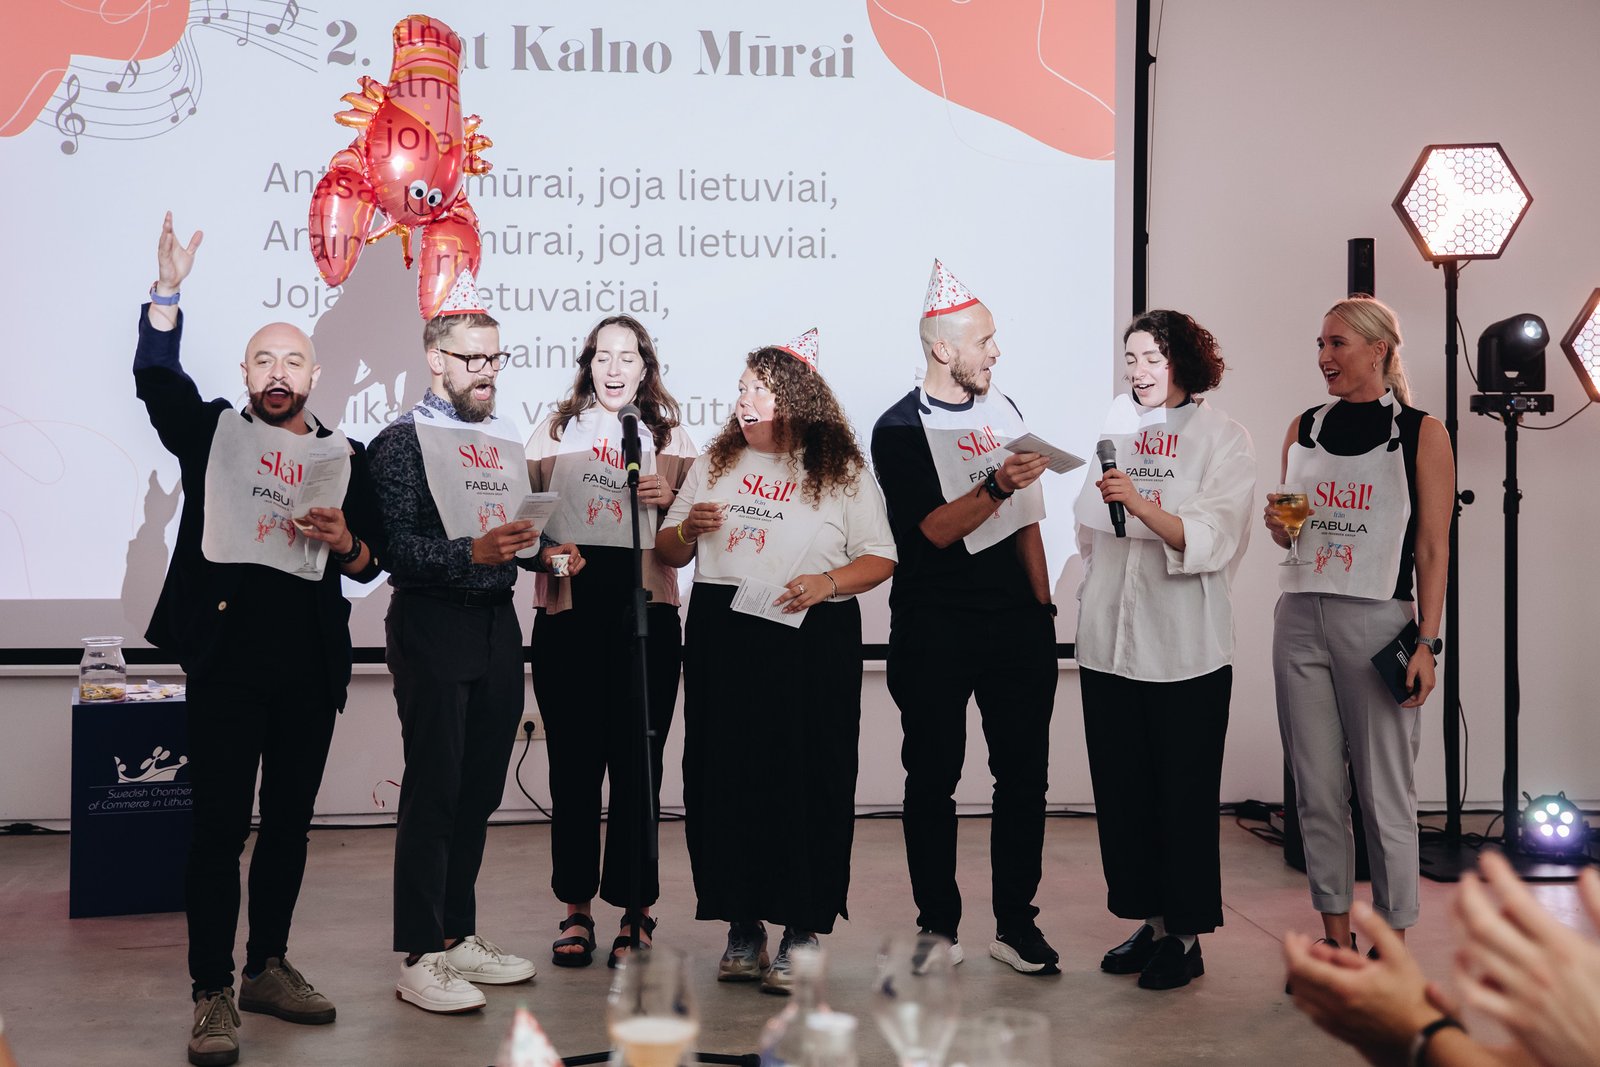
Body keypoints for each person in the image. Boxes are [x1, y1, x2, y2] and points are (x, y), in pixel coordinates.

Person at [135, 213, 385, 1067]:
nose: (279, 374)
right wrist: (167, 294)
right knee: (217, 829)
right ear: (245, 374)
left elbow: (369, 564)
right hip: (227, 667)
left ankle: (267, 966)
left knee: (288, 827)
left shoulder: (345, 457)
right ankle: (211, 990)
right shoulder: (213, 434)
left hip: (309, 670)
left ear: (314, 375)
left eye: (292, 362)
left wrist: (346, 542)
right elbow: (156, 382)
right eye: (264, 361)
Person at [367, 277, 585, 1013]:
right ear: (436, 359)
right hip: (432, 622)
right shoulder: (400, 442)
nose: (487, 371)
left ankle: (456, 933)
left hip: (496, 627)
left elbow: (511, 538)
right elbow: (396, 550)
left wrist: (550, 554)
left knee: (481, 788)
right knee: (434, 788)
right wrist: (473, 553)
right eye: (472, 359)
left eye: (495, 358)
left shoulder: (500, 438)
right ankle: (419, 954)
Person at [657, 329, 896, 995]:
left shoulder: (841, 470)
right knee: (724, 775)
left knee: (806, 777)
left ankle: (801, 931)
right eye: (741, 388)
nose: (744, 400)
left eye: (758, 390)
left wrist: (829, 582)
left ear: (794, 399)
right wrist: (687, 530)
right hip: (724, 631)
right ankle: (743, 926)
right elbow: (670, 551)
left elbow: (882, 557)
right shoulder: (716, 461)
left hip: (810, 633)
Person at [870, 260, 1060, 975]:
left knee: (1024, 779)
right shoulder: (896, 429)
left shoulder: (1004, 411)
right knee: (932, 779)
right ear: (943, 348)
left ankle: (1017, 924)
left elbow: (1028, 520)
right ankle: (937, 927)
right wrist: (998, 481)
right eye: (984, 340)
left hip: (1015, 626)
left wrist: (1042, 609)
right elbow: (935, 530)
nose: (996, 352)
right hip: (934, 625)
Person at [1074, 310, 1255, 990]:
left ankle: (1185, 936)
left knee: (1182, 794)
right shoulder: (1117, 430)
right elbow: (1090, 528)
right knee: (1125, 794)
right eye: (1131, 359)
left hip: (1185, 648)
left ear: (1184, 361)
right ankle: (1151, 923)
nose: (1139, 371)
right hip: (1109, 644)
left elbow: (1214, 536)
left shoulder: (1223, 438)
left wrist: (1140, 504)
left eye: (1152, 357)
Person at [1267, 297, 1453, 955]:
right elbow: (1292, 533)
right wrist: (1281, 526)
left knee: (1385, 794)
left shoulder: (1423, 433)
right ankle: (1336, 940)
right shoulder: (1304, 427)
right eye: (1320, 344)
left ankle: (1393, 943)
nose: (1324, 357)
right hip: (1300, 616)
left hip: (1378, 620)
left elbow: (1433, 547)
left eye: (1337, 343)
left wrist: (1427, 642)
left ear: (1379, 350)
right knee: (1317, 792)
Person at [525, 315, 698, 969]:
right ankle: (576, 908)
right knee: (572, 768)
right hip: (570, 614)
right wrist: (551, 553)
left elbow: (697, 535)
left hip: (646, 616)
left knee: (638, 769)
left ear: (646, 367)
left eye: (629, 357)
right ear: (588, 364)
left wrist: (673, 498)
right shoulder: (553, 430)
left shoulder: (671, 437)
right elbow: (520, 524)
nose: (615, 368)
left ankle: (636, 909)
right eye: (604, 356)